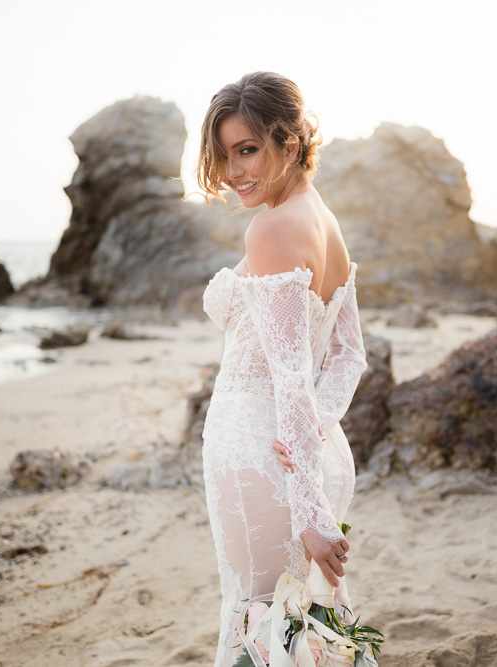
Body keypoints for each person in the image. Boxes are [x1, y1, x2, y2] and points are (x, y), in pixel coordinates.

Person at [198, 71, 369, 667]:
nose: (231, 171)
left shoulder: (271, 228)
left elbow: (292, 379)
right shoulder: (324, 220)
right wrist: (319, 436)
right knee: (303, 631)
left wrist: (310, 510)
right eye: (223, 155)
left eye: (246, 149)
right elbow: (349, 357)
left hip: (263, 465)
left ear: (289, 143)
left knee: (262, 630)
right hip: (307, 458)